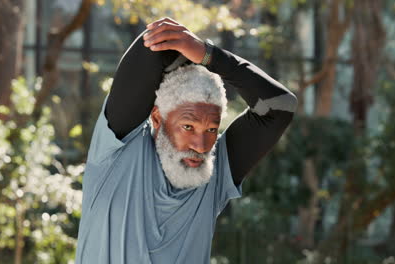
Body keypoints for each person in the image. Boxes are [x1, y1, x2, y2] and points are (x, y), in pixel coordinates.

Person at [74, 17, 298, 264]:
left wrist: (209, 56)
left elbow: (280, 107)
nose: (201, 145)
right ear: (158, 118)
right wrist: (196, 51)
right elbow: (154, 45)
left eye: (212, 129)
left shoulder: (215, 173)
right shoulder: (116, 152)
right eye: (188, 126)